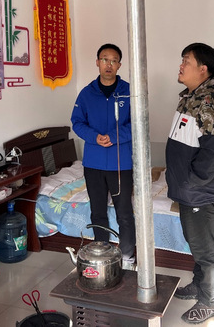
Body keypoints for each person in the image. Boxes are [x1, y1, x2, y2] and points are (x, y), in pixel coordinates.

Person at [165, 43, 214, 324]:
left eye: (187, 61)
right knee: (196, 243)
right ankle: (199, 284)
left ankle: (209, 301)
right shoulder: (191, 98)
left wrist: (190, 183)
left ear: (203, 69)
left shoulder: (209, 101)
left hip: (199, 193)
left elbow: (213, 152)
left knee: (206, 250)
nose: (181, 65)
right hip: (188, 189)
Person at [71, 43, 136, 266]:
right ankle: (102, 254)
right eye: (105, 59)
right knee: (97, 212)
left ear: (119, 65)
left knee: (124, 212)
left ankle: (127, 257)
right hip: (94, 163)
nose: (109, 64)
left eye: (114, 60)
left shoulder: (129, 92)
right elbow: (77, 122)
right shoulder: (86, 93)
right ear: (97, 62)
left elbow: (138, 122)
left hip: (121, 163)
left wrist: (114, 136)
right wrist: (94, 136)